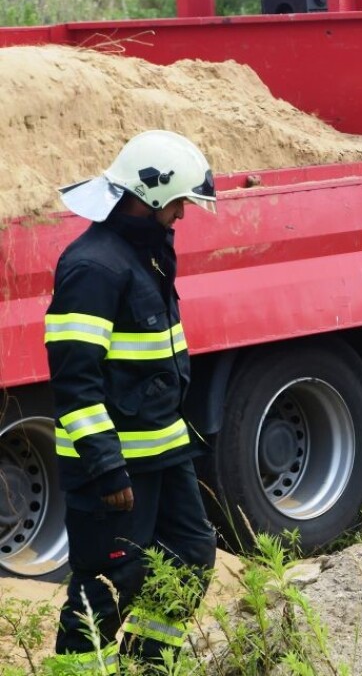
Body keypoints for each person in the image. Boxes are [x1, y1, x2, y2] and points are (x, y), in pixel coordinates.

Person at [44, 130, 219, 671]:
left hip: (163, 452)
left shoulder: (147, 256)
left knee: (190, 555)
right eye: (180, 204)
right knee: (105, 581)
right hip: (113, 466)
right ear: (153, 197)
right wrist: (106, 468)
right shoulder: (94, 268)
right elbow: (75, 383)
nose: (183, 216)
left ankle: (146, 663)